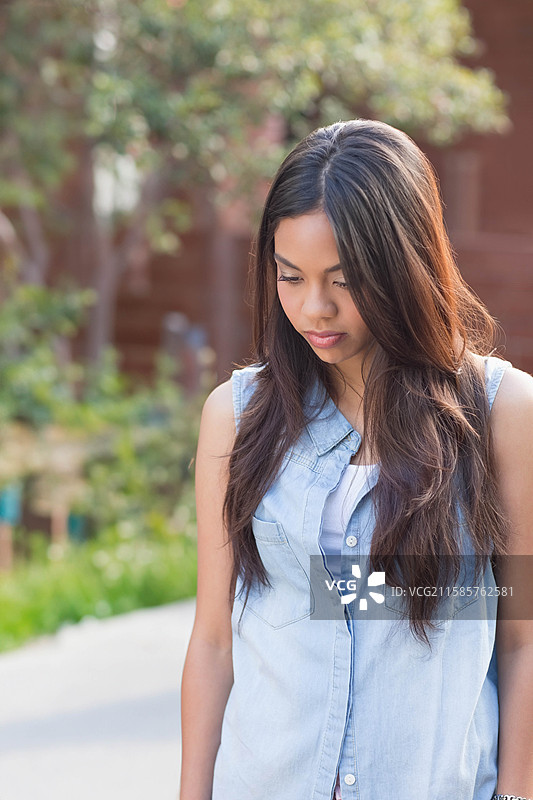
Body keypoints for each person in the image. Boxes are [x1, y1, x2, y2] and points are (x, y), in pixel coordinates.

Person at [179, 119, 533, 800]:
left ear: (406, 265)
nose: (314, 308)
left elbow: (522, 640)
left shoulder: (501, 413)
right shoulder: (237, 414)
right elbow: (215, 641)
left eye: (345, 280)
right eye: (290, 277)